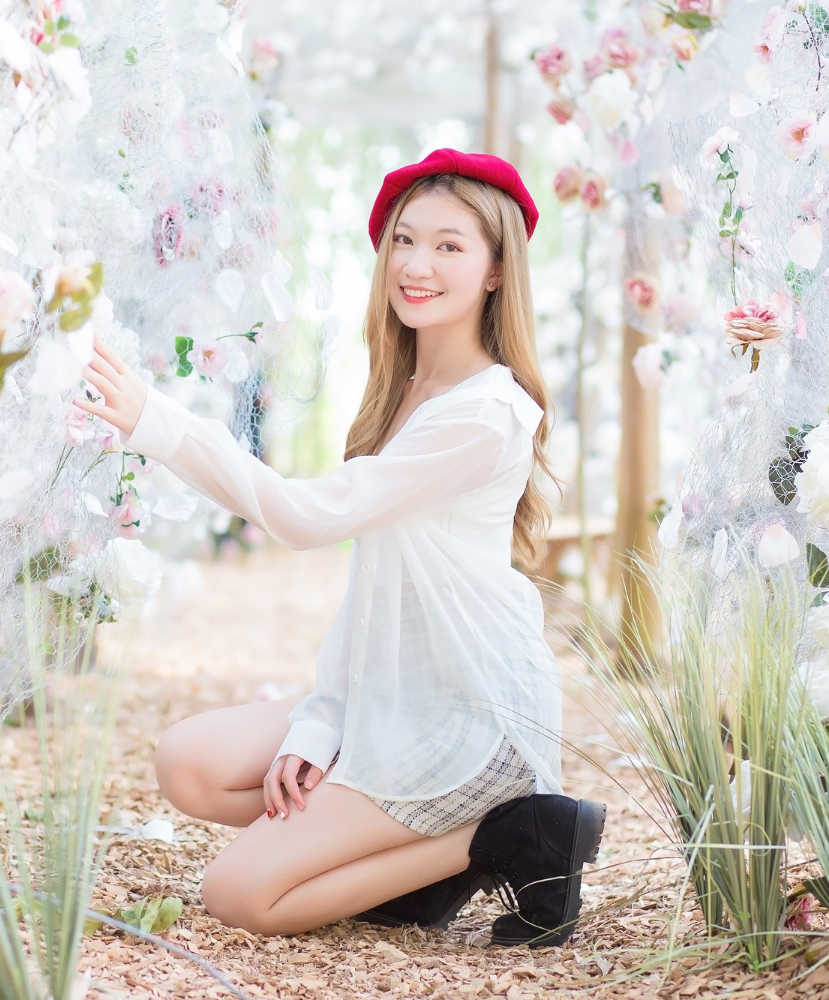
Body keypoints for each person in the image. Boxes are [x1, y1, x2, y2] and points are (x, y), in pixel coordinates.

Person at [74, 149, 605, 945]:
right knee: (188, 764)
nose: (416, 265)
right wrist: (322, 722)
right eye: (404, 239)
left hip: (466, 713)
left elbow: (304, 518)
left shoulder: (485, 413)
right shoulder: (410, 394)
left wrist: (160, 421)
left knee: (241, 894)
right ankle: (423, 869)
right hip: (390, 692)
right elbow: (376, 596)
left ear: (498, 271)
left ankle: (517, 835)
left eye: (450, 246)